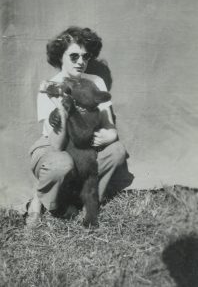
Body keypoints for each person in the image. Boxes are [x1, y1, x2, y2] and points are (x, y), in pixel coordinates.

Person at [26, 26, 133, 227]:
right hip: (55, 146)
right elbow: (56, 146)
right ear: (60, 57)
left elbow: (110, 127)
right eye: (74, 56)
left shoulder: (96, 81)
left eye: (86, 56)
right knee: (61, 164)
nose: (81, 62)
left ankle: (89, 203)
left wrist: (109, 136)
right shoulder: (51, 87)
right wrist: (63, 113)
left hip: (85, 146)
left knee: (117, 151)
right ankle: (42, 200)